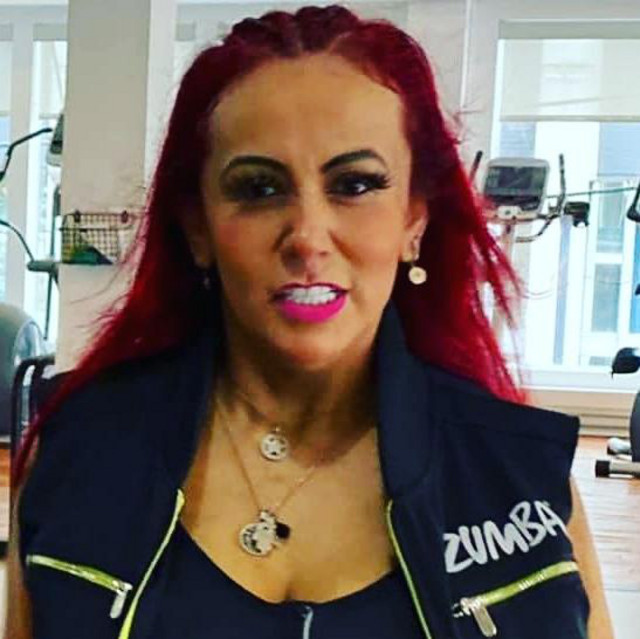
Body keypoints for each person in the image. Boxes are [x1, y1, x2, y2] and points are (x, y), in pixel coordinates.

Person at [6, 5, 613, 638]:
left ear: (414, 220)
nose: (307, 238)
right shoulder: (75, 455)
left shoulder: (520, 480)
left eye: (355, 185)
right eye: (259, 189)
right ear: (197, 227)